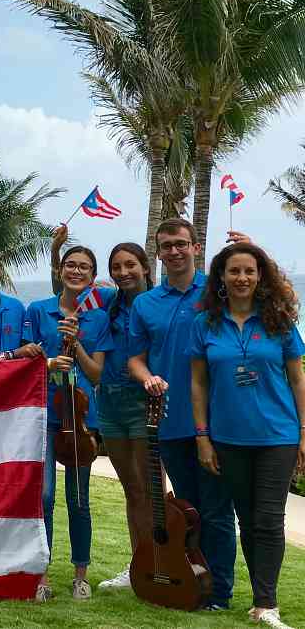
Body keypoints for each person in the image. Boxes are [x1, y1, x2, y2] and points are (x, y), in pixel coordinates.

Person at [189, 243, 305, 628]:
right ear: (220, 277)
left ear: (260, 277)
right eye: (234, 271)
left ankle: (266, 603)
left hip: (278, 435)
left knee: (269, 520)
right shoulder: (204, 324)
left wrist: (304, 431)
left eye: (249, 272)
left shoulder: (280, 321)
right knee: (247, 519)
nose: (242, 278)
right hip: (228, 438)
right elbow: (198, 383)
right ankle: (260, 599)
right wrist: (203, 436)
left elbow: (297, 378)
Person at [127, 218, 237, 610]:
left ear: (195, 247)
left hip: (217, 422)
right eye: (166, 245)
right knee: (189, 512)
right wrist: (147, 378)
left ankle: (220, 594)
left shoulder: (217, 291)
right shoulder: (145, 303)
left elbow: (266, 302)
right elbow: (135, 359)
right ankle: (195, 584)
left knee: (218, 510)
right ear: (158, 253)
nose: (173, 251)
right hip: (169, 422)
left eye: (180, 244)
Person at [23, 245, 113, 602]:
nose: (77, 272)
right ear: (60, 270)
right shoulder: (37, 310)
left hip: (79, 419)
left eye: (85, 268)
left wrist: (75, 347)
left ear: (92, 276)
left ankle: (80, 574)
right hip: (44, 413)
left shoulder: (99, 316)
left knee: (78, 499)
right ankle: (41, 573)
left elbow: (97, 373)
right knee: (43, 496)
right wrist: (48, 362)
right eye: (70, 265)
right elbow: (25, 361)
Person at [95, 243, 156, 591]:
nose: (123, 272)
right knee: (132, 490)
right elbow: (68, 292)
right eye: (116, 267)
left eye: (130, 265)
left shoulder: (159, 302)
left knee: (152, 491)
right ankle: (138, 566)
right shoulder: (108, 302)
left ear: (145, 266)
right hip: (111, 404)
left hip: (146, 401)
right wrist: (58, 253)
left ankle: (162, 561)